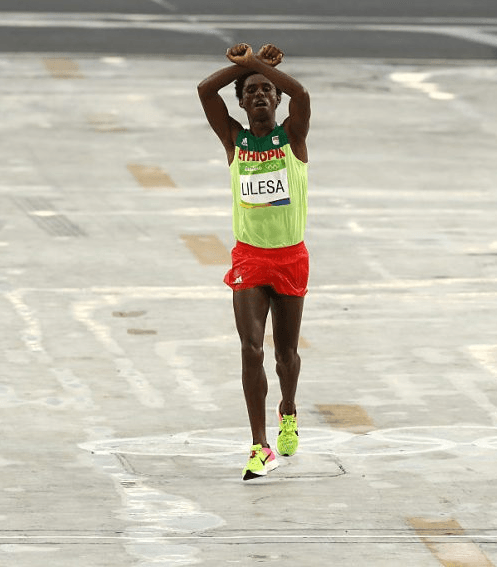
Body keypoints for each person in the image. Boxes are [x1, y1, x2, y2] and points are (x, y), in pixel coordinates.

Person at [197, 43, 311, 480]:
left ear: (276, 102)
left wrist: (257, 67)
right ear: (241, 102)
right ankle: (259, 445)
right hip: (249, 257)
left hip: (290, 257)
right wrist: (241, 68)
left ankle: (288, 409)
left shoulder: (292, 138)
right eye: (251, 91)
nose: (260, 94)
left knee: (285, 355)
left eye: (267, 90)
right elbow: (206, 91)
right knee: (251, 347)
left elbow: (301, 94)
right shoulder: (234, 140)